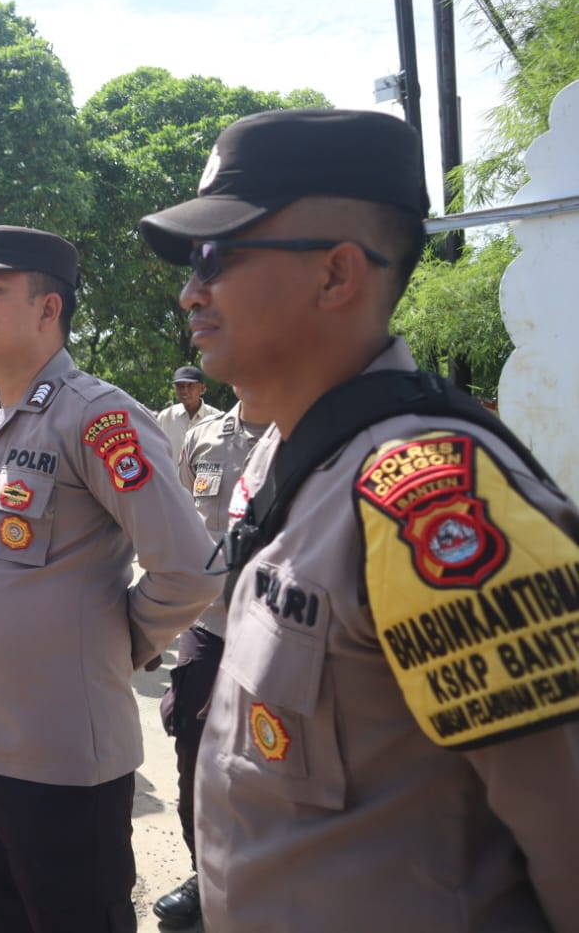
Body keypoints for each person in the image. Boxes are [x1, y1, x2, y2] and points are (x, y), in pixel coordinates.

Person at [139, 107, 579, 932]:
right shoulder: (290, 456)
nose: (190, 290)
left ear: (336, 274)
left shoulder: (430, 496)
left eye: (216, 256)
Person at [0, 226, 219, 933]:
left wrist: (113, 645)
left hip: (59, 760)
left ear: (47, 308)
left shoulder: (97, 417)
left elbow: (189, 569)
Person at [150, 400, 266, 927]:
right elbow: (180, 524)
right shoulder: (205, 437)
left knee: (271, 760)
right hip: (208, 622)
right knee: (194, 755)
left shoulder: (308, 433)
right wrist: (159, 618)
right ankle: (206, 875)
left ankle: (263, 878)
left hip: (276, 630)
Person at [153, 365, 220, 461]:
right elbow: (156, 452)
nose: (185, 391)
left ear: (202, 388)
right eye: (180, 386)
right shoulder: (165, 417)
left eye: (191, 386)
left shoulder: (216, 418)